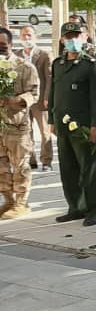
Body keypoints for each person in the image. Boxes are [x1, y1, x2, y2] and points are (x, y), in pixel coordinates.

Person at [50, 22, 96, 226]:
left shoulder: (91, 65)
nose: (72, 40)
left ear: (83, 38)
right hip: (62, 125)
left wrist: (95, 125)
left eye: (76, 36)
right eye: (68, 36)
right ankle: (76, 207)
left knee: (89, 168)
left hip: (83, 125)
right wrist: (51, 120)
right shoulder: (58, 64)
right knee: (68, 169)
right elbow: (53, 92)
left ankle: (94, 208)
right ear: (62, 40)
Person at [0, 28, 40, 219]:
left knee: (21, 166)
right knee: (1, 168)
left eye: (3, 44)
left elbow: (34, 93)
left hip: (16, 126)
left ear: (10, 44)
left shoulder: (24, 67)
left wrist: (18, 100)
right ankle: (8, 200)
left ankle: (21, 203)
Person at [16, 26, 52, 171]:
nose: (26, 38)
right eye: (24, 35)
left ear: (35, 37)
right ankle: (31, 160)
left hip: (40, 99)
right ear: (19, 37)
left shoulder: (44, 54)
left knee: (45, 131)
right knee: (26, 131)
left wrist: (47, 97)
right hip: (23, 100)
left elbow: (49, 78)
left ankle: (46, 161)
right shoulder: (17, 55)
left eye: (29, 35)